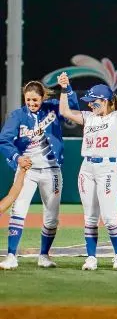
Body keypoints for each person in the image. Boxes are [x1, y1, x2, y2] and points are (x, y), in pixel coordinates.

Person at [58, 71, 117, 271]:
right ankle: (91, 258)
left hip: (107, 168)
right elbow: (65, 111)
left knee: (109, 217)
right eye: (89, 101)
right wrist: (65, 88)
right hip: (87, 168)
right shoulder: (88, 117)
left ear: (106, 100)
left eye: (94, 100)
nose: (90, 104)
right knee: (90, 217)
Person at [0, 79, 78, 270]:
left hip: (51, 171)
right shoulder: (18, 115)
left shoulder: (52, 108)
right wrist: (17, 157)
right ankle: (11, 255)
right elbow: (4, 140)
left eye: (35, 100)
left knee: (52, 216)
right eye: (28, 100)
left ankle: (44, 255)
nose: (32, 104)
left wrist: (67, 88)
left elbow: (73, 110)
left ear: (43, 97)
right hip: (27, 171)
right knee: (18, 211)